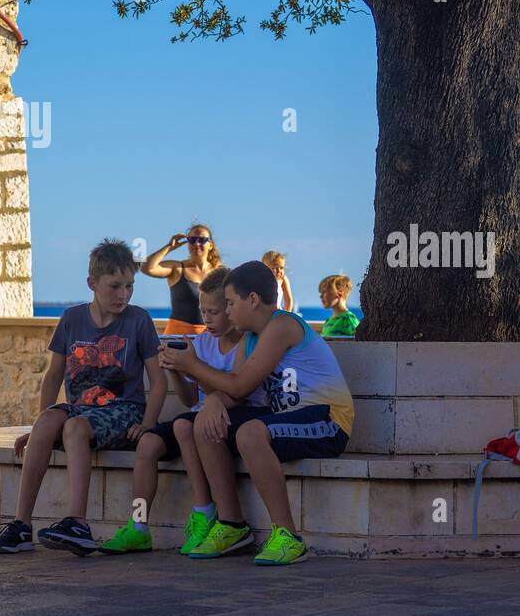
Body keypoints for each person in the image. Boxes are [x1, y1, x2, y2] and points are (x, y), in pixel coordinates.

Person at [161, 261, 354, 566]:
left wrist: (193, 367)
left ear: (252, 300)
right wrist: (213, 401)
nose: (227, 311)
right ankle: (231, 525)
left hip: (326, 420)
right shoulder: (251, 338)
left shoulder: (281, 326)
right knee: (204, 425)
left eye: (231, 303)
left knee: (249, 433)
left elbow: (239, 386)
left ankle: (289, 536)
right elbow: (234, 390)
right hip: (288, 419)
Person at [0, 239, 164, 555]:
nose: (123, 294)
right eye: (114, 286)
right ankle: (21, 526)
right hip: (81, 408)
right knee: (48, 425)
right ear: (92, 283)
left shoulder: (138, 320)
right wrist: (39, 425)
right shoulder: (72, 319)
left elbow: (159, 380)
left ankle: (78, 523)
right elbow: (54, 375)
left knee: (74, 427)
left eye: (129, 286)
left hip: (125, 411)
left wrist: (149, 423)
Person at [97, 265, 263, 556]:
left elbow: (232, 394)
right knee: (147, 444)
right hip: (196, 415)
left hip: (224, 419)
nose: (206, 319)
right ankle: (137, 526)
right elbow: (189, 399)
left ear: (230, 307)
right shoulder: (202, 343)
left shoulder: (245, 344)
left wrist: (193, 367)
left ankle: (203, 511)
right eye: (203, 311)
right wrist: (175, 370)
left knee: (183, 426)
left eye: (213, 312)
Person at [141, 224, 223, 335]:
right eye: (192, 239)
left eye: (202, 240)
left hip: (209, 338)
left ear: (211, 245)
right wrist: (169, 247)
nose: (197, 244)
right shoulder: (178, 269)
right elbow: (146, 268)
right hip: (177, 338)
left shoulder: (219, 273)